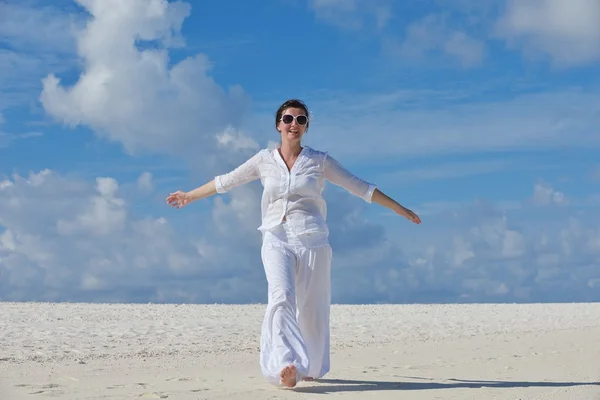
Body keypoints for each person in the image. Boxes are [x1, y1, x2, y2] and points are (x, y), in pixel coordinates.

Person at [166, 99, 421, 388]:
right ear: (278, 124)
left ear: (307, 127)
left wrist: (398, 208)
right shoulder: (264, 160)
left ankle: (308, 366)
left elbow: (359, 186)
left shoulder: (319, 161)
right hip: (275, 238)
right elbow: (226, 181)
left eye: (301, 120)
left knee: (312, 308)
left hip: (313, 240)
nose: (294, 125)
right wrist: (189, 195)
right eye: (288, 119)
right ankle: (286, 364)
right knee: (281, 296)